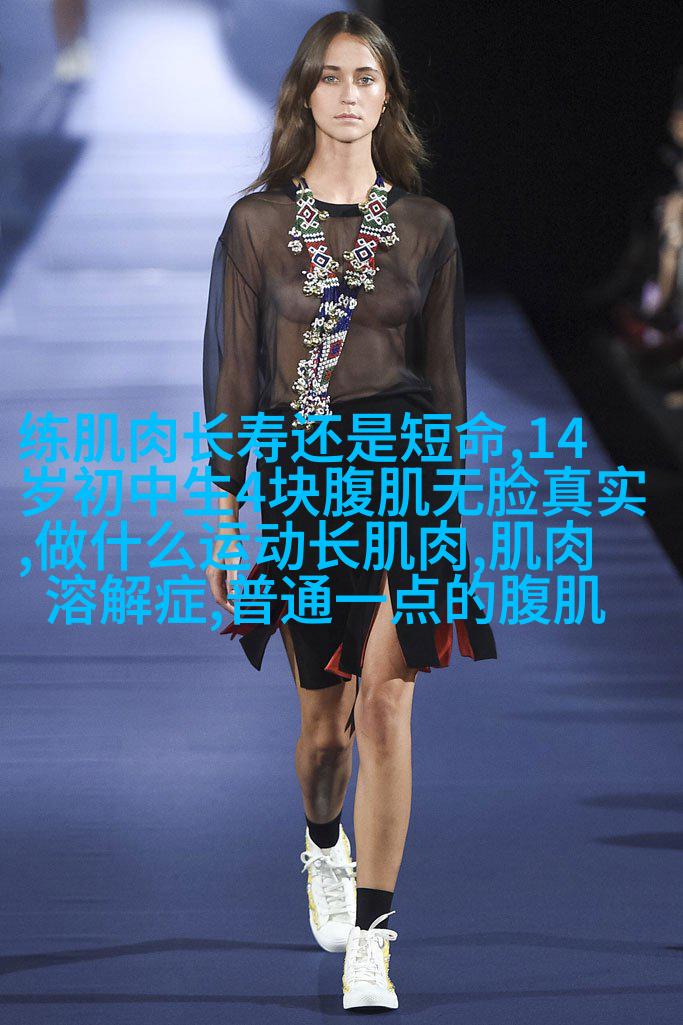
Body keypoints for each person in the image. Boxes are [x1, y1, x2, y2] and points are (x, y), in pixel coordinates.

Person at [203, 10, 497, 1012]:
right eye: (328, 76)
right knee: (325, 729)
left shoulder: (426, 226)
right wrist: (225, 515)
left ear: (386, 96)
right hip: (303, 478)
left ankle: (372, 937)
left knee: (385, 701)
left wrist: (445, 516)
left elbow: (446, 386)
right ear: (303, 95)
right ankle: (322, 840)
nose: (346, 94)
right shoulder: (254, 224)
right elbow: (232, 380)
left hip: (405, 474)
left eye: (364, 77)